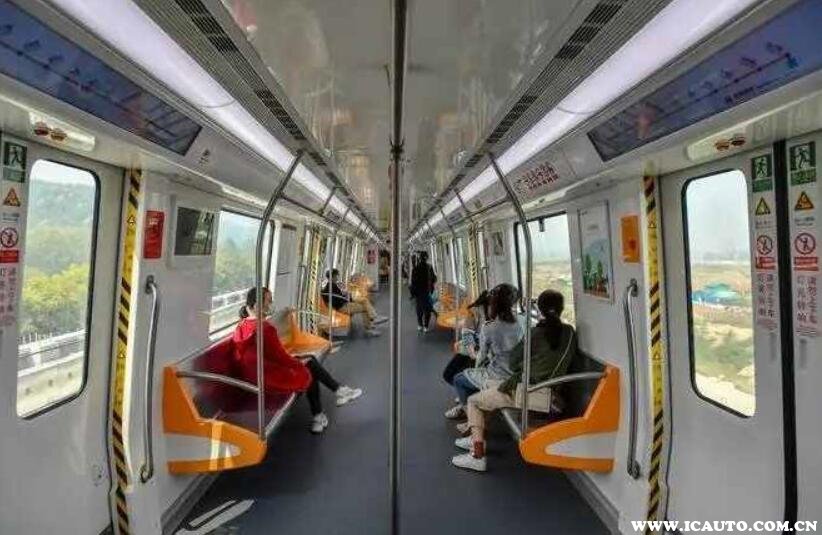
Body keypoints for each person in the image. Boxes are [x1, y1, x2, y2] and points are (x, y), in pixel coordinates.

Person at [451, 289, 578, 472]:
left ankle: (477, 455)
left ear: (540, 309)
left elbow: (514, 360)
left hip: (527, 392)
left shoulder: (535, 333)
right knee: (489, 388)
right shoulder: (569, 333)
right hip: (551, 393)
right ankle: (475, 434)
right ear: (561, 308)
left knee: (474, 401)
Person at [233, 287, 363, 434]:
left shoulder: (241, 326)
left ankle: (330, 402)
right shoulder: (265, 329)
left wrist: (299, 361)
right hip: (269, 379)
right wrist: (299, 364)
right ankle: (330, 401)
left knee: (308, 362)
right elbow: (281, 357)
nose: (271, 304)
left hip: (254, 376)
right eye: (268, 301)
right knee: (309, 367)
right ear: (257, 305)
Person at [444, 283, 523, 420]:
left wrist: (478, 366)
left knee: (460, 378)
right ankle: (468, 398)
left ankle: (468, 410)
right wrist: (473, 353)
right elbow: (468, 335)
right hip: (479, 353)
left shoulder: (491, 327)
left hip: (494, 365)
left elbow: (483, 356)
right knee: (451, 373)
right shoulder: (477, 312)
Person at [321, 268, 387, 336]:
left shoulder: (332, 285)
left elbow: (339, 296)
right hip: (343, 307)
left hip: (345, 303)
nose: (337, 277)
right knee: (365, 307)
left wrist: (346, 295)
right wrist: (348, 297)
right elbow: (337, 299)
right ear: (333, 276)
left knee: (364, 302)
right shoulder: (331, 287)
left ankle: (372, 320)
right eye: (336, 275)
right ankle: (371, 324)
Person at [409, 251, 437, 332]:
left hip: (418, 292)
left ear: (419, 258)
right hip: (427, 291)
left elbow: (413, 282)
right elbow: (434, 278)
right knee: (428, 309)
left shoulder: (415, 268)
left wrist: (413, 293)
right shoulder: (429, 267)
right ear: (427, 258)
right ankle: (426, 326)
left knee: (419, 308)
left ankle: (420, 325)